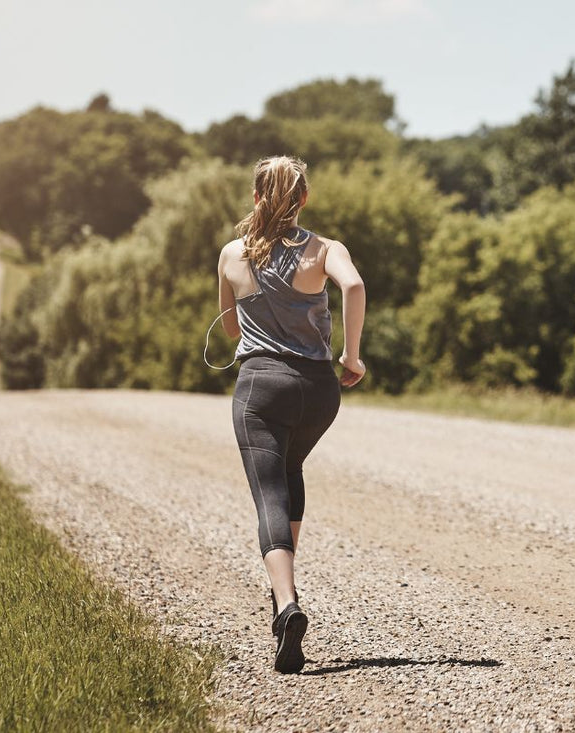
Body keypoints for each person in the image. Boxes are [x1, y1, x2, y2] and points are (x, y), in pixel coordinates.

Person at [216, 156, 366, 674]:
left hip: (261, 385)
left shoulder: (233, 254)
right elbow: (354, 287)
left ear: (257, 198)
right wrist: (351, 356)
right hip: (319, 389)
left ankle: (285, 604)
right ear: (303, 199)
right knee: (291, 470)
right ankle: (287, 588)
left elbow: (233, 330)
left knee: (269, 493)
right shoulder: (326, 249)